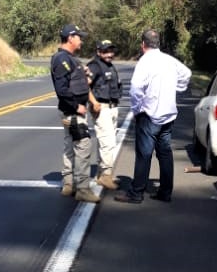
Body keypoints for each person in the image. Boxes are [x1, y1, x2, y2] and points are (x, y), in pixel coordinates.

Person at [114, 28, 192, 204]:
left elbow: (135, 88)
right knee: (164, 153)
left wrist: (137, 109)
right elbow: (187, 74)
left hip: (150, 115)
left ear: (143, 45)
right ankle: (165, 192)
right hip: (168, 114)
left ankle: (136, 193)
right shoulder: (169, 60)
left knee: (144, 154)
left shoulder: (145, 62)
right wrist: (178, 88)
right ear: (158, 43)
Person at [50, 24, 100, 204]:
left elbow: (78, 83)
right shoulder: (61, 59)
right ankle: (83, 189)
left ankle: (69, 183)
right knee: (83, 146)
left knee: (70, 145)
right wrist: (76, 106)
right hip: (72, 112)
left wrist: (85, 76)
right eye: (79, 36)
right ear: (70, 38)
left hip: (72, 112)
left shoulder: (71, 59)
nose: (81, 40)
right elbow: (61, 89)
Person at [88, 39, 122, 190]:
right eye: (106, 51)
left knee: (107, 142)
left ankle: (102, 174)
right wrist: (93, 102)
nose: (110, 54)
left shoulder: (109, 65)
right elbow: (84, 84)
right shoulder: (94, 66)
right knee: (107, 143)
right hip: (102, 108)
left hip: (112, 107)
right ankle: (105, 177)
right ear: (98, 51)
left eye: (111, 50)